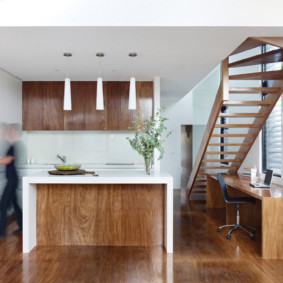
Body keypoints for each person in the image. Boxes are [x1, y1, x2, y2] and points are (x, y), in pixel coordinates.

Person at [0, 124, 22, 236]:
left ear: (17, 132)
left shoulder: (15, 145)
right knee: (15, 205)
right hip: (12, 179)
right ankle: (22, 227)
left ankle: (1, 232)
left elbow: (8, 160)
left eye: (11, 130)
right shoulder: (13, 145)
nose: (9, 131)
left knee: (3, 205)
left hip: (12, 180)